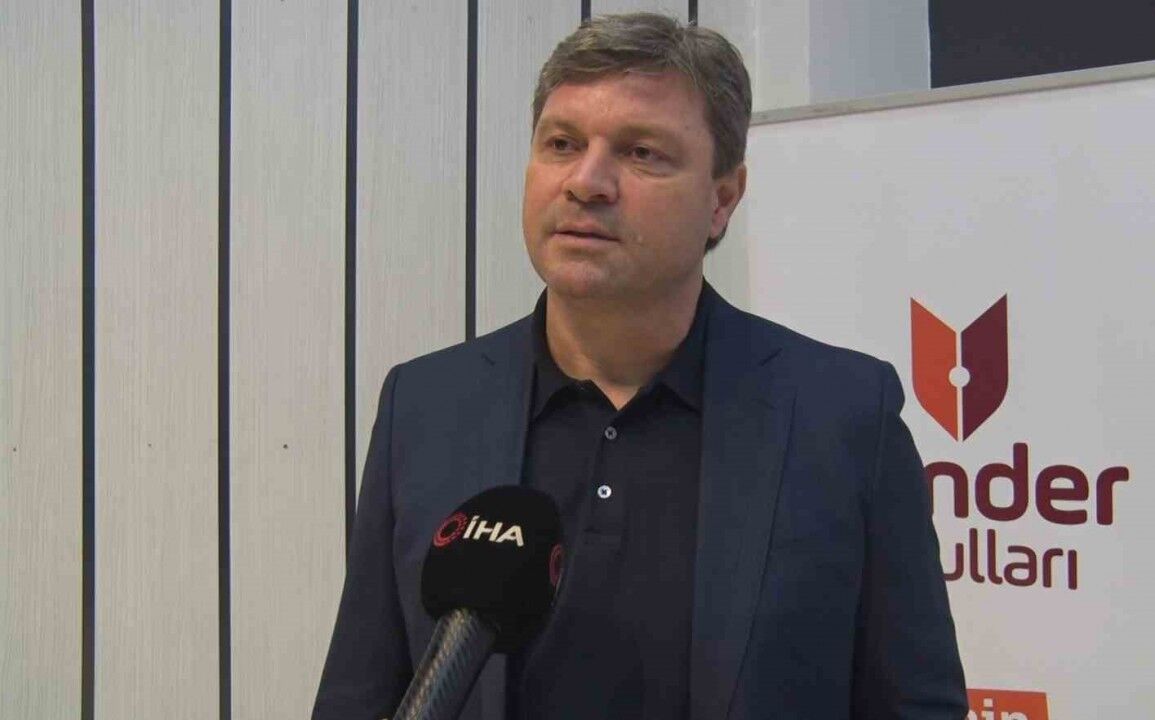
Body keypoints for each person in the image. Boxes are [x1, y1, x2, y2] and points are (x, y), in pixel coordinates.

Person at [313, 12, 966, 720]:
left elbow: (917, 706)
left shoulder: (843, 415)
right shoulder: (425, 405)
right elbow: (359, 696)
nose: (586, 182)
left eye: (642, 152)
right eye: (561, 144)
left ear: (722, 199)